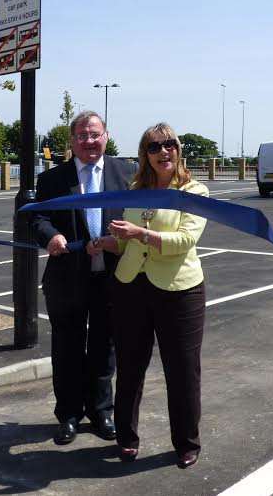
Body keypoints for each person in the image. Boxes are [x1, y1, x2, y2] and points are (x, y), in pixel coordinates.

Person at [87, 122, 208, 467]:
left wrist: (139, 233)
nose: (163, 152)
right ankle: (126, 437)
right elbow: (126, 241)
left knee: (183, 371)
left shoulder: (194, 192)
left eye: (168, 144)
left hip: (179, 291)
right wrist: (105, 243)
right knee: (129, 368)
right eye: (154, 147)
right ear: (145, 155)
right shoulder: (136, 188)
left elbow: (183, 241)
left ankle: (186, 442)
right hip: (130, 287)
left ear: (178, 149)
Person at [33, 110, 137, 445]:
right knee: (67, 347)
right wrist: (50, 236)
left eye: (95, 134)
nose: (89, 141)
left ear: (106, 136)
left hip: (113, 276)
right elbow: (38, 219)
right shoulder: (52, 179)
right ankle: (68, 415)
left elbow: (140, 214)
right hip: (67, 278)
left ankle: (102, 411)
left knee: (105, 347)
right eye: (82, 136)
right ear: (72, 141)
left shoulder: (128, 173)